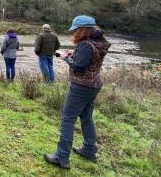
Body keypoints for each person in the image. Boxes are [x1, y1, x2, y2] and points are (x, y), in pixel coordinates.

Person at [44, 15, 111, 169]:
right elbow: (89, 61)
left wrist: (65, 58)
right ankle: (89, 149)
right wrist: (73, 55)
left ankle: (61, 157)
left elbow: (79, 67)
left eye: (76, 30)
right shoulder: (99, 42)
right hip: (94, 85)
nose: (74, 33)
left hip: (81, 86)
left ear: (83, 30)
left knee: (67, 119)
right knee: (87, 117)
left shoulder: (85, 44)